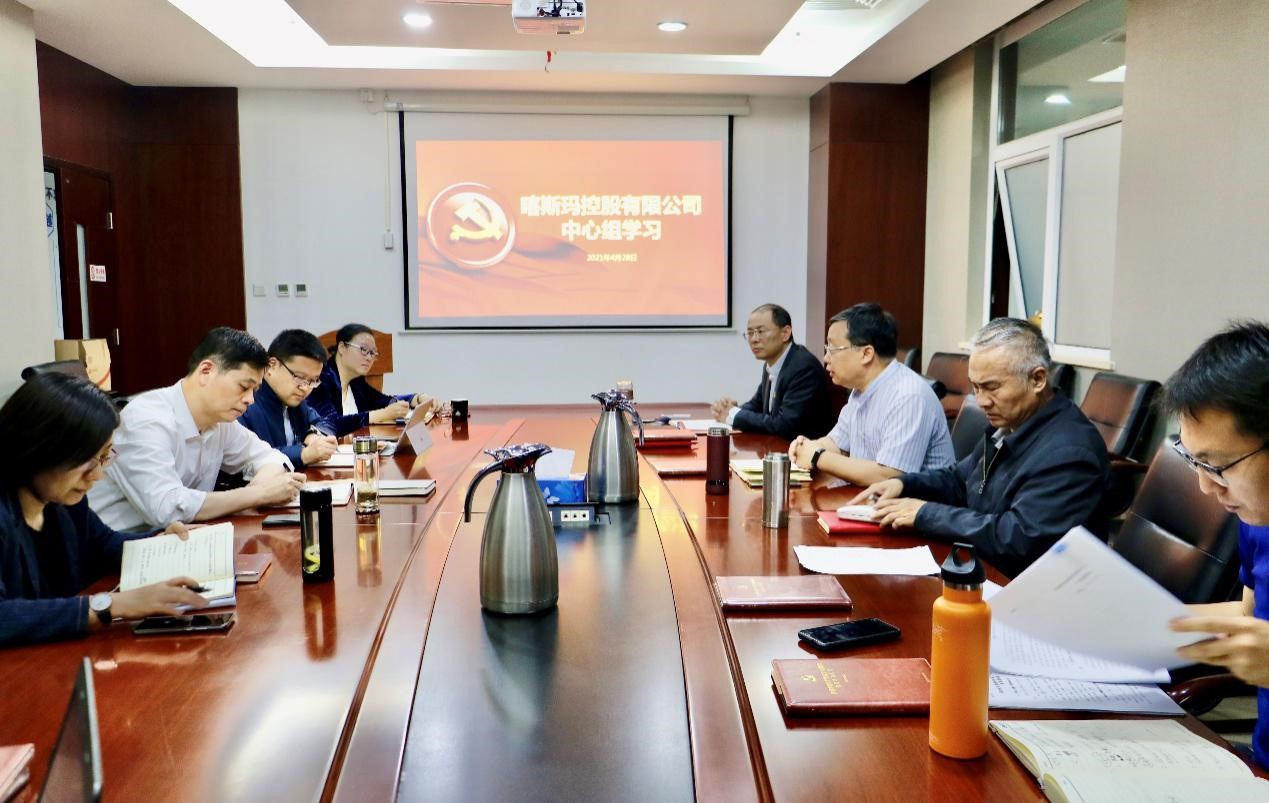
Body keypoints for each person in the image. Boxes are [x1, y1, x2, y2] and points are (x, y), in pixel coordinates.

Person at [850, 317, 1109, 577]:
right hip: (982, 566)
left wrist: (926, 513)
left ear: (1037, 379)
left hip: (1029, 587)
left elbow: (1018, 537)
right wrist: (904, 485)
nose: (982, 401)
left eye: (991, 387)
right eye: (975, 387)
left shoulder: (1070, 453)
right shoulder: (1012, 423)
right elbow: (961, 480)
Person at [0, 373, 209, 647]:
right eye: (88, 461)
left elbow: (103, 545)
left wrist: (159, 543)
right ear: (38, 447)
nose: (97, 475)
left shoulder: (62, 500)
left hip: (54, 651)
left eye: (104, 457)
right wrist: (109, 605)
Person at [1163, 322, 1269, 768]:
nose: (1206, 487)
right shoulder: (1257, 519)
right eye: (1194, 461)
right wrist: (1139, 623)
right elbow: (1248, 614)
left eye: (1218, 466)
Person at [88, 327, 306, 531]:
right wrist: (258, 494)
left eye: (255, 390)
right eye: (243, 387)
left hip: (183, 539)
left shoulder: (221, 422)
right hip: (122, 547)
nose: (250, 400)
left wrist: (259, 490)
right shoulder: (146, 420)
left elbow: (270, 457)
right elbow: (167, 509)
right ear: (206, 371)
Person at [789, 304, 954, 486]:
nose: (826, 358)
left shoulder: (909, 396)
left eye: (833, 349)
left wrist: (818, 456)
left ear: (866, 354)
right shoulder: (860, 389)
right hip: (870, 497)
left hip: (916, 502)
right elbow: (837, 444)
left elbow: (889, 476)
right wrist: (807, 447)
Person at [710, 303, 834, 439]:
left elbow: (785, 424)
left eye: (761, 332)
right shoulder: (772, 363)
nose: (754, 339)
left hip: (803, 448)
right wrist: (732, 410)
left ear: (785, 333)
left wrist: (734, 415)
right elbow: (757, 404)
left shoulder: (803, 367)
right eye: (750, 333)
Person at [307, 323, 437, 437]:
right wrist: (383, 414)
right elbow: (331, 424)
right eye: (363, 350)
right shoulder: (320, 379)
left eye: (373, 353)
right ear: (342, 347)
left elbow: (382, 401)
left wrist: (417, 398)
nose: (369, 358)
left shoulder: (356, 381)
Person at [237, 329, 339, 468]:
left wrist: (314, 434)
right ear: (271, 365)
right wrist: (303, 454)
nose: (305, 388)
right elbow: (250, 459)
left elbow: (327, 422)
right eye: (300, 377)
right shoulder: (245, 405)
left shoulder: (296, 402)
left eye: (313, 380)